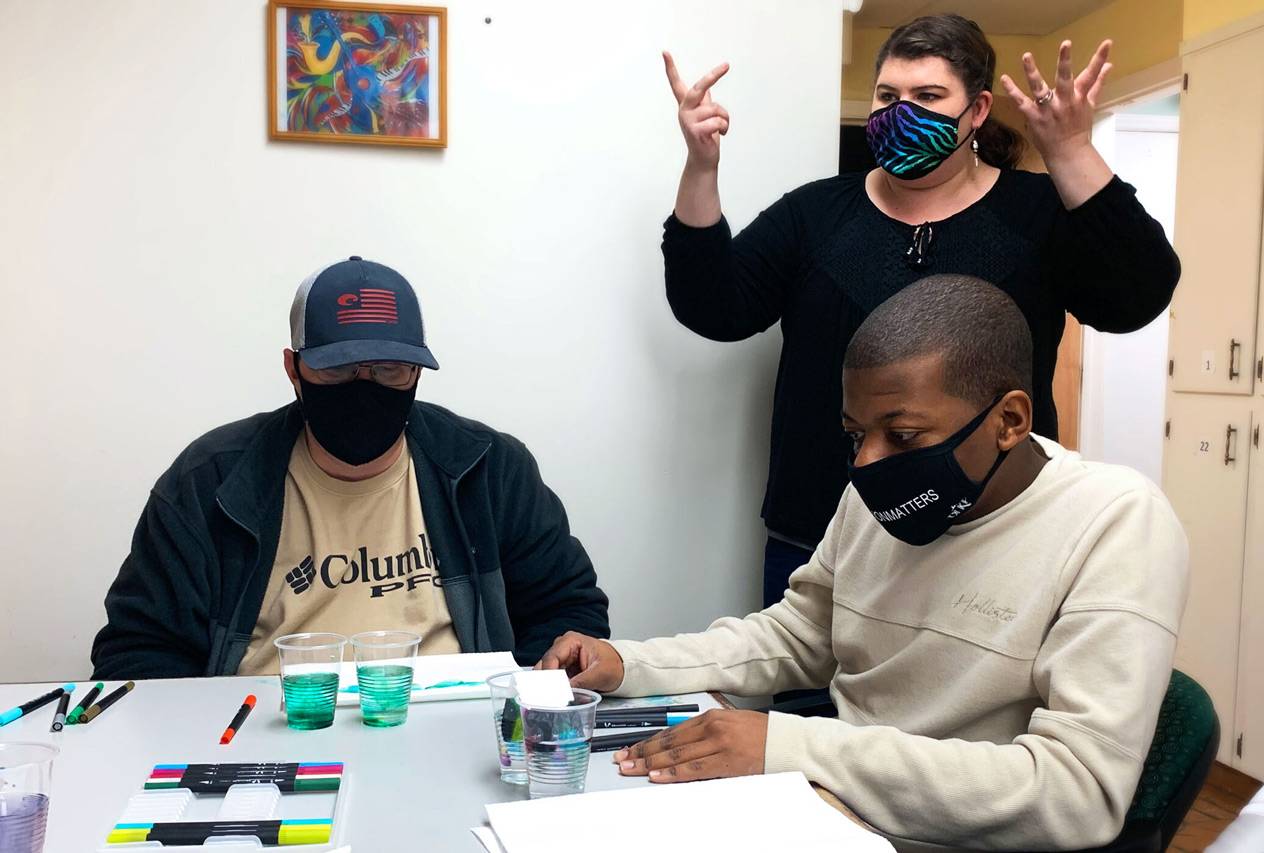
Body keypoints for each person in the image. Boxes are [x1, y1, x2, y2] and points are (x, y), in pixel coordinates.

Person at [538, 275, 1189, 850]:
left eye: (902, 436)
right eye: (856, 435)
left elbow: (1077, 793)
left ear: (1010, 419)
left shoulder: (1116, 522)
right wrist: (632, 663)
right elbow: (798, 635)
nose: (868, 464)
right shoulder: (876, 498)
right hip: (828, 811)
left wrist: (792, 747)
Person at [660, 14, 1181, 608]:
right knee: (801, 703)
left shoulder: (1035, 213)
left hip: (991, 536)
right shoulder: (817, 214)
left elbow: (1137, 296)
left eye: (928, 96)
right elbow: (712, 305)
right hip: (821, 535)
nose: (900, 112)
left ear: (978, 110)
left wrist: (1070, 151)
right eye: (888, 96)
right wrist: (701, 167)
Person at [92, 257, 609, 679]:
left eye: (390, 369)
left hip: (452, 728)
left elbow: (568, 610)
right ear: (294, 368)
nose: (365, 388)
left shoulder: (490, 469)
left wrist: (525, 697)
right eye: (336, 369)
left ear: (417, 372)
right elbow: (138, 651)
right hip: (270, 729)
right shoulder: (210, 483)